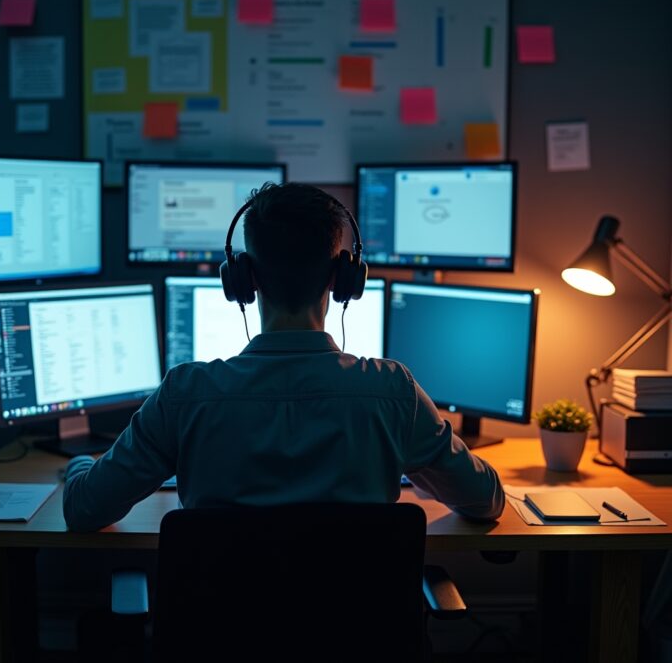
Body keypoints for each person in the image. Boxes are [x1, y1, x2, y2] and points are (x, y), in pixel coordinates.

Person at [63, 183, 504, 532]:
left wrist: (81, 464)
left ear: (243, 279)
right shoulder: (393, 393)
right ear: (342, 278)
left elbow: (84, 511)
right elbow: (486, 501)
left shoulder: (184, 395)